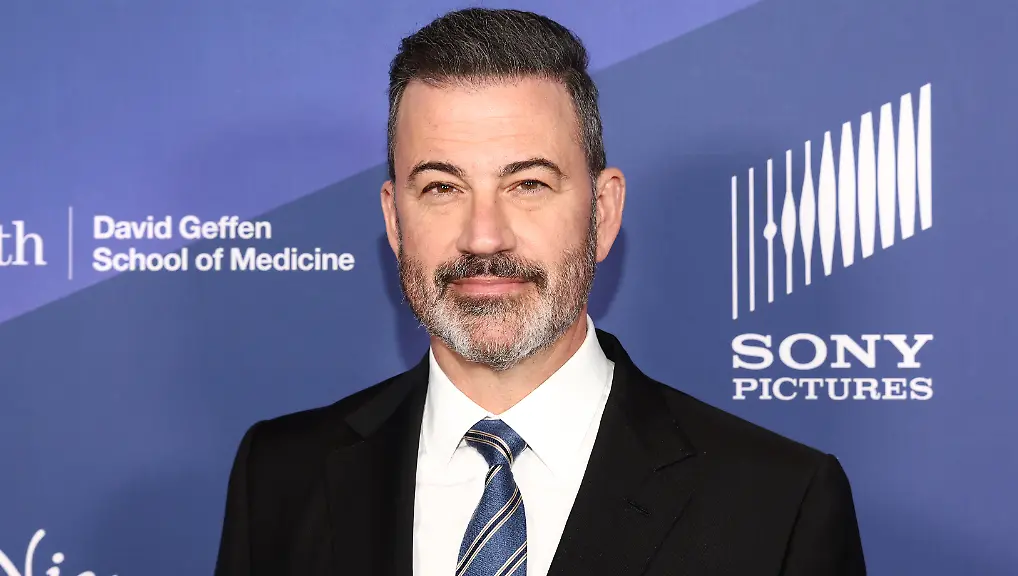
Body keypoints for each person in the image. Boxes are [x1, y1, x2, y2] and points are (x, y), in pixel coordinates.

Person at [214, 7, 866, 576]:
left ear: (602, 212)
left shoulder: (779, 504)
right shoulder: (279, 477)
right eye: (442, 187)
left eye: (528, 184)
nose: (484, 236)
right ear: (393, 219)